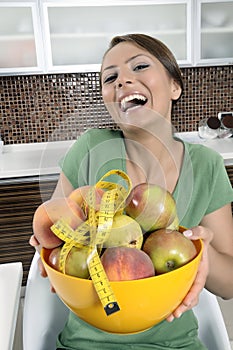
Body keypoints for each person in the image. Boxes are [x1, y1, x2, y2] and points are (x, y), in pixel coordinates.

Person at [30, 34, 233, 349]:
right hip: (87, 343)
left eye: (139, 66)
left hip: (174, 344)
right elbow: (57, 231)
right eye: (110, 77)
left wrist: (200, 255)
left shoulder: (206, 165)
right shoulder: (90, 149)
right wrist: (51, 247)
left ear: (175, 87)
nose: (122, 80)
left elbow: (230, 283)